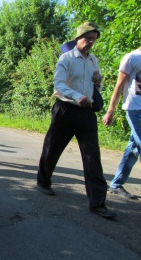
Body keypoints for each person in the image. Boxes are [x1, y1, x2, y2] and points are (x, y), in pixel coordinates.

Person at [36, 21, 116, 219]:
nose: (90, 42)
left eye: (93, 39)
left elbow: (95, 87)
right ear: (78, 39)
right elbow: (59, 85)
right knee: (52, 148)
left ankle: (98, 203)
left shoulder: (93, 60)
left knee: (92, 157)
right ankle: (43, 181)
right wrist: (76, 96)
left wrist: (98, 84)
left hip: (87, 113)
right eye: (87, 38)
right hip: (66, 110)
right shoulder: (66, 58)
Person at [102, 47, 141, 199]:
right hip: (134, 109)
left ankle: (116, 184)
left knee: (133, 149)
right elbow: (118, 86)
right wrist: (110, 111)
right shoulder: (131, 58)